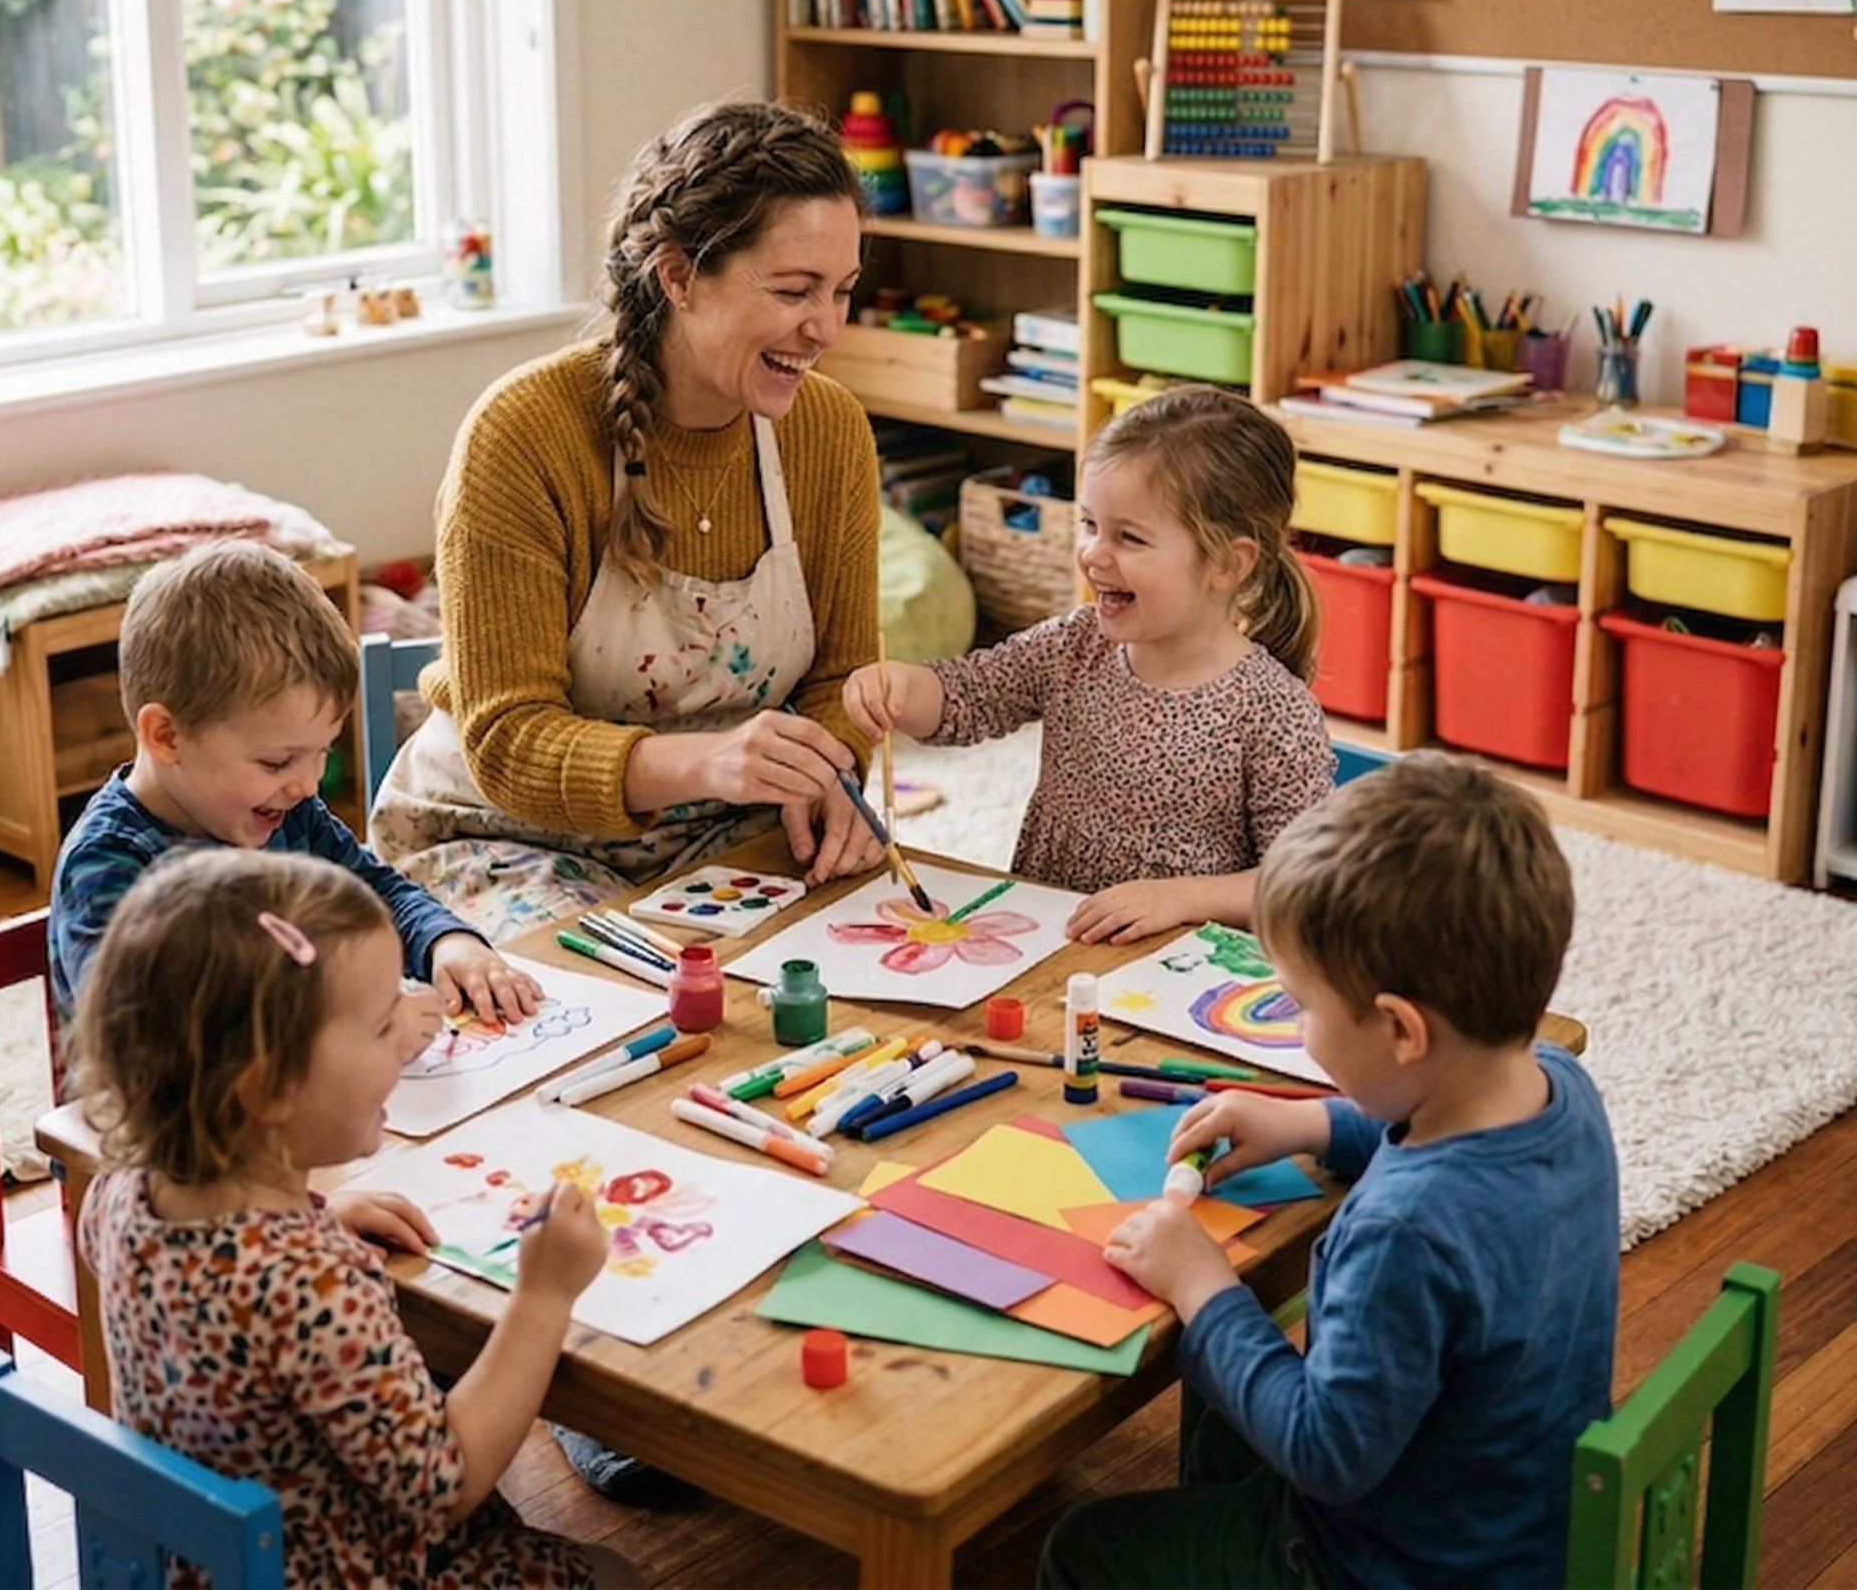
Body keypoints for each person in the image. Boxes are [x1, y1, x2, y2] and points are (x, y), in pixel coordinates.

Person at [1040, 756, 1618, 1590]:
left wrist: (1203, 1286)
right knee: (1227, 1375)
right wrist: (1309, 1122)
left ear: (1399, 1030)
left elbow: (1328, 1455)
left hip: (1395, 1563)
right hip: (1510, 1513)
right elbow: (1427, 1107)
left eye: (1301, 1005)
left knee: (1084, 1547)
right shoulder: (1559, 1085)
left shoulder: (1406, 1232)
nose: (1299, 1027)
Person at [370, 97, 885, 941]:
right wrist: (708, 761)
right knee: (611, 1018)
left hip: (724, 825)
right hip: (506, 838)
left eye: (842, 292)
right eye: (794, 290)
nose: (825, 327)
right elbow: (506, 739)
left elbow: (841, 680)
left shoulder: (828, 434)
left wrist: (831, 777)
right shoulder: (524, 433)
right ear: (677, 276)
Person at [73, 849, 640, 1590]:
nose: (414, 1040)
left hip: (205, 1567)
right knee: (612, 1575)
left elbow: (188, 1277)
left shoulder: (120, 1193)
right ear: (269, 1090)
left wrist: (317, 1213)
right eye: (381, 1029)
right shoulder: (311, 1287)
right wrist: (544, 1295)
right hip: (344, 1571)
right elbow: (446, 1483)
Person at [845, 386, 1334, 940]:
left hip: (1173, 974)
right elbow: (970, 695)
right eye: (1089, 525)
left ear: (1226, 564)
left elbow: (1299, 883)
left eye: (1129, 537)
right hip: (1051, 940)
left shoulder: (1275, 711)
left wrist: (1181, 898)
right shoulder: (1075, 645)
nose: (1093, 554)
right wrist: (901, 686)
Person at [47, 539, 535, 1028]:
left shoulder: (290, 815)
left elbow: (374, 893)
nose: (307, 783)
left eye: (324, 752)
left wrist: (445, 942)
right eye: (277, 761)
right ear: (167, 736)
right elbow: (138, 1037)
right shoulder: (107, 864)